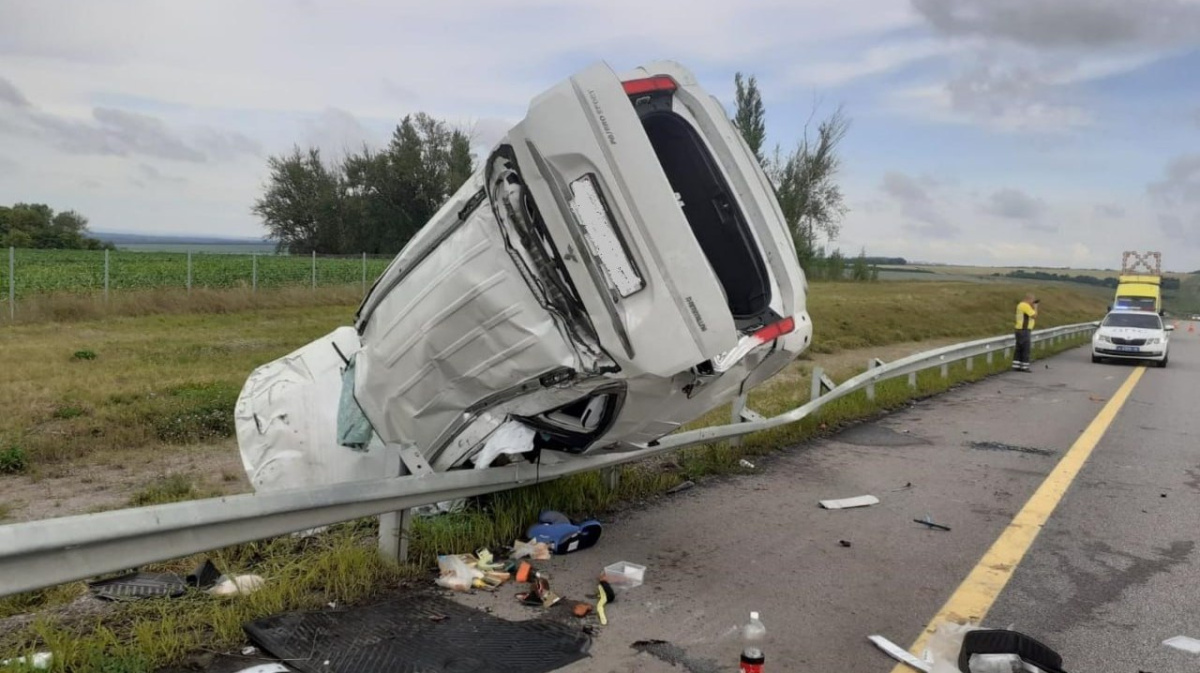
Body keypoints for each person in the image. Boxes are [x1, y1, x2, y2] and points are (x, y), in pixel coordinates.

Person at [1013, 294, 1038, 372]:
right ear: (1029, 299)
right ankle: (1024, 366)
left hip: (1019, 329)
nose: (1032, 303)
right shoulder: (1025, 306)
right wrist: (1036, 307)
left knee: (1019, 348)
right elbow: (1034, 316)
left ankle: (1016, 365)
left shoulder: (1020, 305)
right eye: (1032, 301)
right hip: (1024, 330)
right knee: (1025, 349)